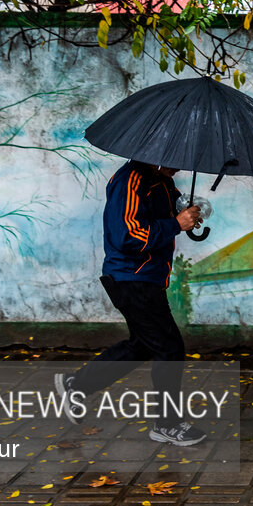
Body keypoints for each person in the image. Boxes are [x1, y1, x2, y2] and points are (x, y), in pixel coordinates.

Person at [54, 160, 207, 445]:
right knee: (169, 348)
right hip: (131, 278)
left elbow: (165, 216)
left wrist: (187, 213)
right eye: (174, 159)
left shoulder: (161, 181)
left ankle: (76, 385)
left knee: (143, 344)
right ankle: (167, 424)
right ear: (157, 154)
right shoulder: (131, 180)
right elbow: (127, 235)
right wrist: (176, 223)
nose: (180, 166)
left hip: (146, 278)